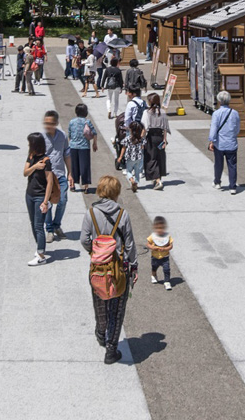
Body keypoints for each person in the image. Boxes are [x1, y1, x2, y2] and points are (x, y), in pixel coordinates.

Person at [81, 175, 137, 364]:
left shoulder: (91, 213)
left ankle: (100, 331)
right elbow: (129, 245)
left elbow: (84, 239)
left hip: (98, 267)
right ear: (115, 192)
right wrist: (134, 266)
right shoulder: (123, 214)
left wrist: (95, 252)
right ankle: (112, 349)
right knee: (117, 308)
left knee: (100, 301)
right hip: (119, 269)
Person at [24, 133, 61, 266]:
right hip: (29, 194)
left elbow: (50, 183)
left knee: (39, 226)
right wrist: (34, 167)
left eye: (30, 143)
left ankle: (41, 255)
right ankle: (39, 247)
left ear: (35, 144)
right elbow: (25, 173)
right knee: (33, 223)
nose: (29, 146)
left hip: (40, 197)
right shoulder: (31, 157)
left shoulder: (46, 161)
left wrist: (45, 202)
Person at [42, 110, 73, 240]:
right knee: (48, 202)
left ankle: (56, 225)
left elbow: (67, 154)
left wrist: (70, 173)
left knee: (63, 200)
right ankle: (49, 229)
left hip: (60, 173)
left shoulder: (62, 136)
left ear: (56, 123)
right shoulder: (42, 138)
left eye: (51, 123)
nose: (48, 125)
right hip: (46, 175)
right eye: (46, 123)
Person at [208, 90, 240, 193]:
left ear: (219, 101)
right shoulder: (235, 113)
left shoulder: (216, 113)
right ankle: (232, 186)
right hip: (231, 142)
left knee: (218, 164)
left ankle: (217, 182)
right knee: (232, 165)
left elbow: (213, 128)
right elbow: (237, 128)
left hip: (219, 143)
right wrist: (233, 135)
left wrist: (211, 141)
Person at [141, 91, 171, 190]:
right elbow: (165, 127)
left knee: (151, 158)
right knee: (160, 158)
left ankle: (157, 180)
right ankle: (157, 178)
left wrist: (141, 139)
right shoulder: (162, 112)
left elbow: (145, 127)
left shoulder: (147, 112)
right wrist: (165, 140)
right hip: (160, 137)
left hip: (150, 137)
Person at [68, 103, 99, 194]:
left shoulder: (71, 122)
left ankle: (73, 185)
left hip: (73, 146)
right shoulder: (87, 122)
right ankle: (86, 186)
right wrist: (94, 144)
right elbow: (95, 133)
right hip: (84, 147)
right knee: (85, 166)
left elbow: (70, 135)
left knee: (74, 166)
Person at [118, 121, 147, 192]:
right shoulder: (140, 139)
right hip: (138, 158)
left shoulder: (128, 138)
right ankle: (136, 183)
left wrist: (120, 157)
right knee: (137, 171)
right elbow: (143, 146)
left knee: (128, 171)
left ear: (130, 129)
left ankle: (132, 180)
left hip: (130, 157)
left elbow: (123, 147)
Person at [146, 216, 173, 290]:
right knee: (154, 267)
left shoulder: (167, 236)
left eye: (162, 228)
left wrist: (165, 249)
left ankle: (167, 281)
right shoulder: (153, 236)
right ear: (154, 228)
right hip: (155, 257)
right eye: (158, 228)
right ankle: (154, 275)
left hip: (165, 257)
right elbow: (148, 244)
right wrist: (153, 247)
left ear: (165, 227)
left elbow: (171, 246)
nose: (160, 230)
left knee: (166, 269)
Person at [101, 54, 125, 118]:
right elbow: (121, 80)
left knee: (109, 98)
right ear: (117, 63)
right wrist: (121, 87)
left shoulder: (107, 69)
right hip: (117, 86)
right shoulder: (118, 70)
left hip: (109, 85)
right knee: (116, 100)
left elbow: (104, 78)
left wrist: (102, 86)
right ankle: (115, 113)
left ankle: (109, 110)